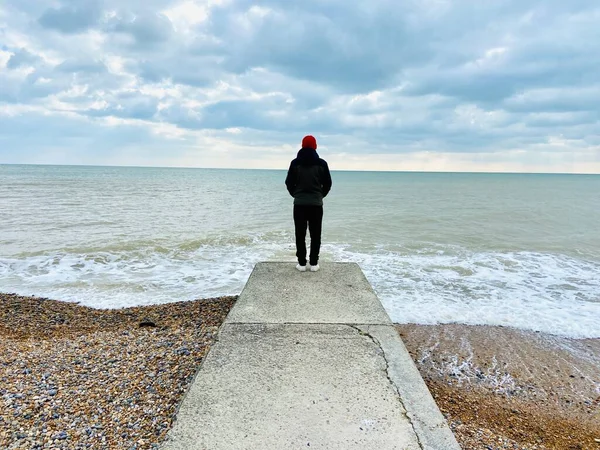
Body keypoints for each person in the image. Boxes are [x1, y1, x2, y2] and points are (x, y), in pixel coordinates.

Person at [285, 135, 332, 272]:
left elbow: (288, 183)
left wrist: (296, 194)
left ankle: (301, 263)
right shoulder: (322, 163)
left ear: (302, 145)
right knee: (315, 234)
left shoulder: (295, 163)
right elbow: (328, 184)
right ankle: (314, 263)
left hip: (299, 204)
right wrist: (320, 195)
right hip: (316, 205)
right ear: (315, 146)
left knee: (300, 234)